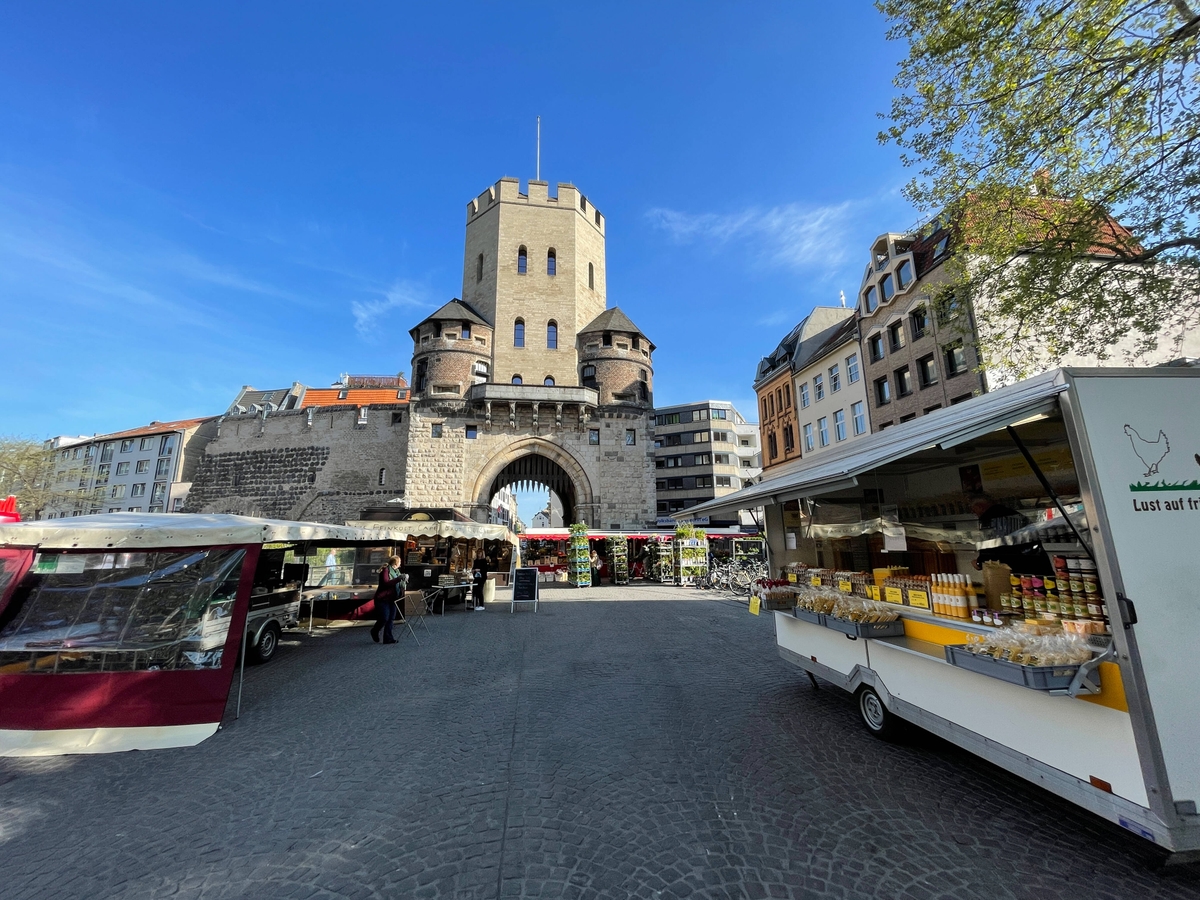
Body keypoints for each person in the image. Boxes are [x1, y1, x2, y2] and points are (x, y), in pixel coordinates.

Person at [371, 555, 405, 644]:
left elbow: (399, 583)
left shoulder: (397, 571)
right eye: (400, 562)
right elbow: (386, 583)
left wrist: (403, 583)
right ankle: (375, 631)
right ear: (396, 563)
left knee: (391, 619)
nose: (400, 563)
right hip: (382, 599)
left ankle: (388, 638)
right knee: (384, 618)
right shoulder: (385, 571)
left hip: (392, 598)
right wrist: (398, 579)